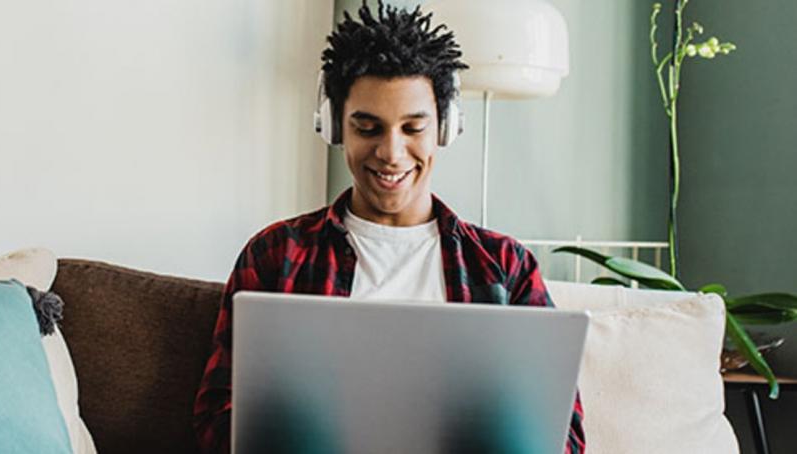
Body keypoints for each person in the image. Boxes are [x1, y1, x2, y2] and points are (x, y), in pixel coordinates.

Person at [194, 2, 584, 452]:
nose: (391, 153)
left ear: (446, 126)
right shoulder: (275, 254)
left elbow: (564, 438)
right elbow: (214, 422)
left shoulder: (505, 267)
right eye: (368, 128)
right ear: (335, 126)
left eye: (413, 128)